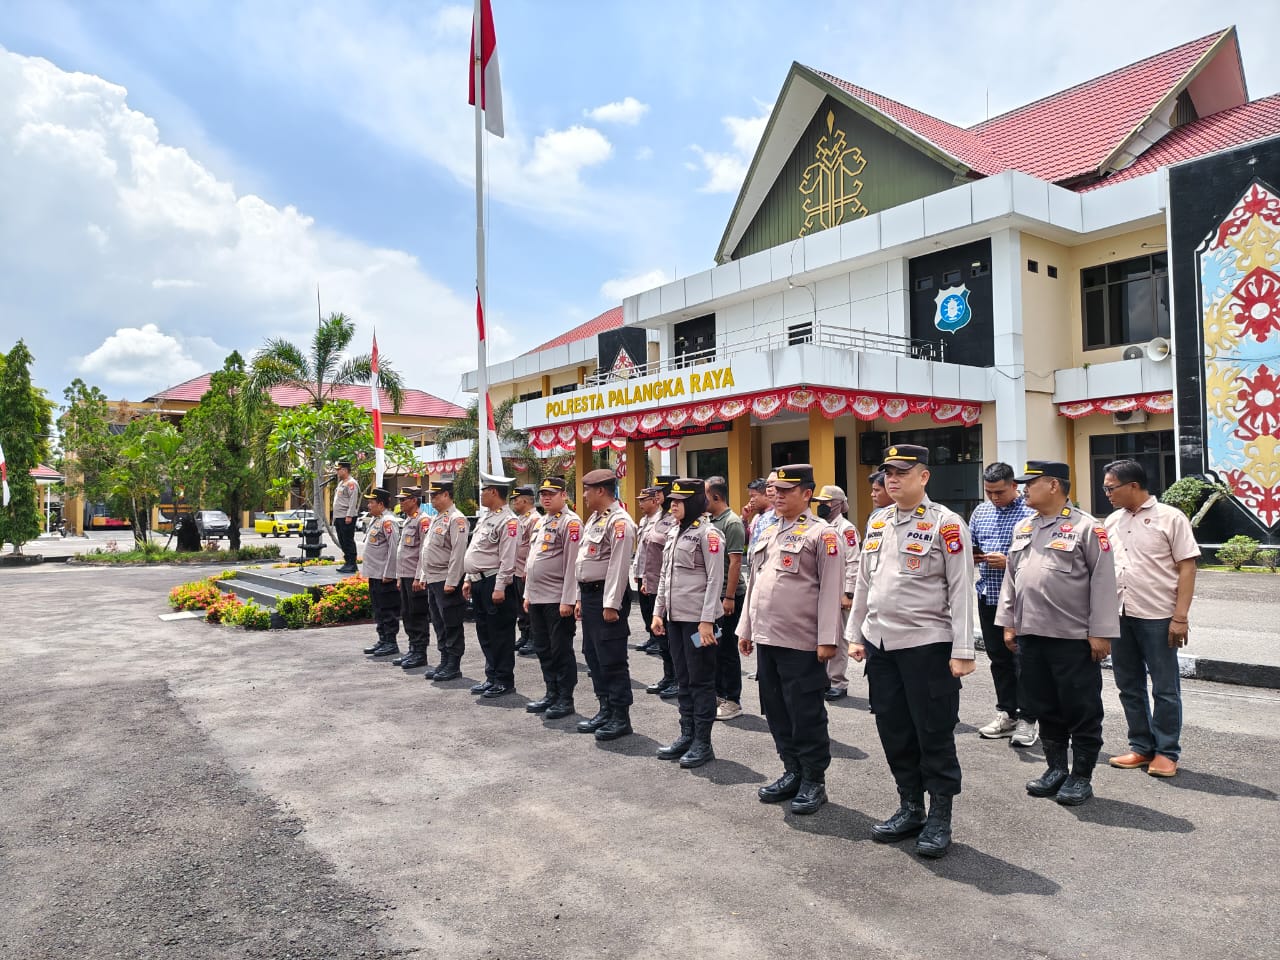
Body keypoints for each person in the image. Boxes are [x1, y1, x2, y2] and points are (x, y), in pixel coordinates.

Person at [849, 445, 975, 858]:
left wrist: (963, 648)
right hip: (881, 644)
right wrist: (855, 634)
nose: (892, 479)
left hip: (927, 645)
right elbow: (865, 582)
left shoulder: (946, 524)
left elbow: (961, 589)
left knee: (933, 732)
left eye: (902, 472)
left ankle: (940, 816)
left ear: (924, 477)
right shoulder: (878, 520)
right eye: (888, 472)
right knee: (894, 729)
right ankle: (910, 806)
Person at [997, 460, 1119, 807]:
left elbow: (1104, 582)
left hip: (1072, 638)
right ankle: (1055, 769)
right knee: (1044, 705)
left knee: (1080, 707)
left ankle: (1081, 775)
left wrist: (1101, 632)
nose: (1024, 490)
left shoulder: (1087, 527)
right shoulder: (1024, 527)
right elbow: (1012, 578)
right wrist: (1009, 621)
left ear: (1053, 485)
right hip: (1031, 635)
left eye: (1031, 483)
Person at [738, 464, 842, 816]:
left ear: (807, 494)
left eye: (786, 490)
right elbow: (756, 583)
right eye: (775, 490)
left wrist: (828, 638)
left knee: (805, 712)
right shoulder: (769, 529)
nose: (777, 495)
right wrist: (746, 628)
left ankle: (813, 779)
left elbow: (831, 590)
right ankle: (791, 769)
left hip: (802, 641)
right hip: (768, 637)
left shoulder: (822, 534)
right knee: (776, 709)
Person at [1103, 459, 1200, 778]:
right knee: (1128, 686)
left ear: (1133, 486)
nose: (1107, 494)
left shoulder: (1170, 518)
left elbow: (1187, 567)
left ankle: (1166, 752)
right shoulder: (1112, 521)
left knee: (1165, 688)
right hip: (1121, 614)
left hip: (1158, 616)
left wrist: (1180, 617)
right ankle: (1141, 746)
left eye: (1110, 488)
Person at [651, 478, 725, 768]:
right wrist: (659, 612)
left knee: (701, 681)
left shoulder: (709, 534)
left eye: (679, 501)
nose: (673, 505)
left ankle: (703, 742)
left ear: (694, 502)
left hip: (698, 624)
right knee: (683, 679)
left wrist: (707, 621)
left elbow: (715, 580)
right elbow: (665, 575)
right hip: (675, 620)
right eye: (672, 501)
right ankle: (687, 734)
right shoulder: (674, 531)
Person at [969, 463, 1038, 746]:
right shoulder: (981, 512)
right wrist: (973, 556)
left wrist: (1008, 562)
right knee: (999, 660)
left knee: (1024, 661)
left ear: (1014, 486)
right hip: (989, 595)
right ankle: (1007, 712)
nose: (994, 498)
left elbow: (1041, 559)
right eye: (989, 492)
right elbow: (970, 544)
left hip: (1023, 600)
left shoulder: (1031, 513)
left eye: (999, 492)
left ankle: (1029, 719)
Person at [574, 468, 638, 741]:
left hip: (607, 598)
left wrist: (611, 604)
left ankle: (620, 717)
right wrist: (579, 598)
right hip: (590, 596)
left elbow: (619, 566)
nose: (584, 495)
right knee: (593, 654)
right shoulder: (595, 519)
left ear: (601, 490)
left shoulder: (620, 522)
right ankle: (606, 708)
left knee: (611, 658)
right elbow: (583, 562)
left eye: (587, 490)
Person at [521, 476, 581, 721]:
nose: (546, 498)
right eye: (543, 494)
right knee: (543, 648)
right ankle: (551, 693)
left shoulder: (571, 523)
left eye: (551, 494)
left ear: (563, 495)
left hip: (557, 599)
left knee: (560, 650)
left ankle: (565, 698)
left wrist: (568, 599)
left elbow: (573, 564)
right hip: (537, 597)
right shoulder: (541, 521)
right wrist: (527, 594)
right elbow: (531, 560)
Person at [462, 472, 521, 699]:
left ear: (494, 492)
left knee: (500, 634)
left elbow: (508, 558)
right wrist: (469, 578)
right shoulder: (486, 518)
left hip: (494, 583)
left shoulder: (508, 521)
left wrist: (500, 587)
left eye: (483, 491)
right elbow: (476, 551)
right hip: (480, 582)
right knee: (485, 632)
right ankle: (492, 676)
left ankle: (504, 679)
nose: (481, 495)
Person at [811, 484, 860, 702]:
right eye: (820, 502)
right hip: (820, 589)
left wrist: (848, 592)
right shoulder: (818, 526)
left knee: (838, 638)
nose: (822, 506)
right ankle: (823, 679)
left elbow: (854, 561)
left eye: (826, 502)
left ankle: (838, 682)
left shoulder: (846, 529)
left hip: (839, 590)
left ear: (839, 504)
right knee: (820, 635)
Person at [417, 480, 469, 682]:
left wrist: (452, 581)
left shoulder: (457, 519)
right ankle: (444, 660)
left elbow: (458, 552)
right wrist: (423, 575)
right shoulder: (437, 518)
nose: (432, 499)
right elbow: (427, 549)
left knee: (451, 623)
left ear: (447, 495)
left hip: (446, 579)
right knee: (438, 622)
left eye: (436, 495)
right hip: (433, 578)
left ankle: (453, 664)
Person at [705, 476, 747, 721]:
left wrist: (729, 597)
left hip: (728, 595)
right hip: (713, 595)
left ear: (716, 496)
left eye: (704, 495)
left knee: (727, 649)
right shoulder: (710, 521)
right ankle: (718, 694)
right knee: (713, 647)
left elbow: (736, 562)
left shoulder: (732, 523)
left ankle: (732, 699)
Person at [638, 476, 679, 698]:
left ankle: (678, 679)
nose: (657, 495)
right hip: (654, 584)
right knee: (662, 638)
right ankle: (669, 676)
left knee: (672, 638)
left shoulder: (675, 520)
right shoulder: (659, 518)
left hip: (671, 588)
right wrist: (645, 579)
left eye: (661, 491)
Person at [379, 487, 428, 664]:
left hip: (414, 576)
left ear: (414, 500)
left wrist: (418, 576)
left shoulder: (423, 520)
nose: (400, 503)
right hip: (406, 575)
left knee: (417, 615)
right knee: (407, 614)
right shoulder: (408, 520)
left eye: (403, 500)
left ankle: (420, 652)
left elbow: (423, 551)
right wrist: (399, 576)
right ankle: (412, 649)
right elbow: (403, 551)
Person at [359, 487, 401, 659]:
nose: (369, 505)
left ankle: (391, 642)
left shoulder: (388, 521)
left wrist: (390, 573)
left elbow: (393, 548)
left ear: (381, 504)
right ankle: (383, 639)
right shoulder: (376, 520)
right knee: (378, 609)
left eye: (371, 502)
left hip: (385, 575)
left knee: (387, 609)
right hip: (375, 574)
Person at [630, 485, 665, 665]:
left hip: (653, 573)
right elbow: (641, 549)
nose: (640, 504)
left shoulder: (661, 520)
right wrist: (637, 570)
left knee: (653, 608)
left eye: (643, 500)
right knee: (645, 608)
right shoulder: (644, 520)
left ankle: (658, 639)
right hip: (642, 571)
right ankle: (651, 637)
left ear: (654, 500)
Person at [509, 485, 538, 657]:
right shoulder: (520, 519)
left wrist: (528, 568)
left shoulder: (534, 519)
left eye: (516, 500)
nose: (514, 503)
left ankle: (533, 638)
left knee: (529, 606)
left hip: (525, 571)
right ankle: (524, 635)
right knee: (520, 607)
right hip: (516, 569)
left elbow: (533, 548)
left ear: (525, 501)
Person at [332, 461, 361, 573]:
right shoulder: (341, 483)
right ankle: (347, 561)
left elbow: (353, 501)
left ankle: (352, 563)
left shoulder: (351, 483)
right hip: (339, 516)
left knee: (348, 540)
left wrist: (349, 515)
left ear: (344, 470)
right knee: (342, 540)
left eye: (338, 470)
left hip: (346, 516)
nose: (337, 472)